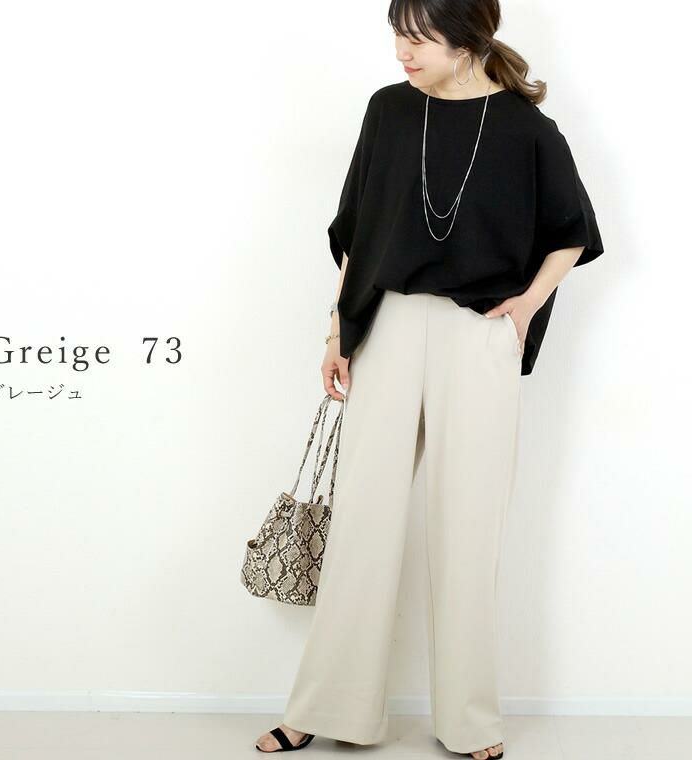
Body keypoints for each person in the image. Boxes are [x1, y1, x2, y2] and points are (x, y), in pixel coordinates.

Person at [255, 0, 604, 757]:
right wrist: (338, 329)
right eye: (397, 35)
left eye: (418, 38)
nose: (401, 51)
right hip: (387, 325)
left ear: (467, 40)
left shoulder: (526, 130)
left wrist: (525, 308)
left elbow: (572, 232)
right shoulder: (388, 111)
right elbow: (357, 229)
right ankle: (328, 707)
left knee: (468, 528)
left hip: (477, 335)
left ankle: (469, 719)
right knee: (363, 522)